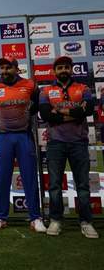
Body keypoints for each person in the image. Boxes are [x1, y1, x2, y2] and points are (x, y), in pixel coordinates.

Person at [0, 56, 46, 232]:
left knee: (30, 178)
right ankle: (0, 216)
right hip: (4, 138)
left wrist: (28, 115)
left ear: (16, 69)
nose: (4, 71)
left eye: (8, 68)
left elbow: (39, 104)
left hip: (24, 136)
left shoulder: (30, 85)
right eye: (2, 68)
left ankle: (35, 217)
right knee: (2, 178)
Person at [39, 56, 98, 238]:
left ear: (71, 69)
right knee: (55, 185)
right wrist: (74, 113)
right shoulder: (46, 91)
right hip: (55, 143)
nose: (63, 70)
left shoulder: (84, 88)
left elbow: (87, 111)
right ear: (54, 71)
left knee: (82, 185)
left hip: (79, 142)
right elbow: (47, 115)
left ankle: (86, 222)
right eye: (59, 67)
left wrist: (60, 111)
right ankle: (56, 220)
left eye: (66, 67)